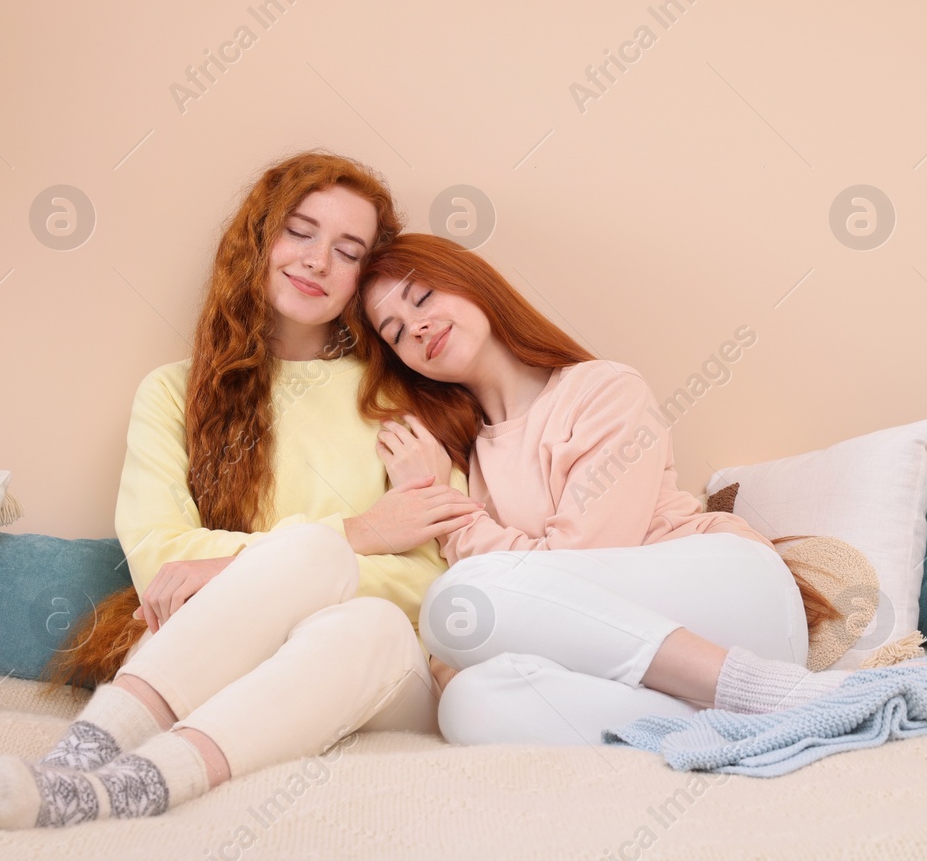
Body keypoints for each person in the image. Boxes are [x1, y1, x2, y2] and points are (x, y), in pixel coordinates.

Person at [0, 152, 482, 829]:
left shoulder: (397, 398)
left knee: (357, 611)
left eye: (347, 251)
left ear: (361, 281)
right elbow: (163, 559)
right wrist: (363, 533)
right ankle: (82, 775)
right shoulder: (173, 392)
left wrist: (255, 565)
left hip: (376, 668)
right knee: (317, 552)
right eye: (300, 231)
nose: (317, 261)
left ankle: (96, 782)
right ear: (258, 238)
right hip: (223, 657)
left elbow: (436, 582)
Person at [353, 232, 858, 748]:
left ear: (473, 284)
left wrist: (440, 504)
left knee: (457, 600)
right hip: (650, 669)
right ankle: (752, 721)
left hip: (739, 601)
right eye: (394, 333)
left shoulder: (603, 389)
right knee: (468, 707)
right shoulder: (465, 457)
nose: (416, 327)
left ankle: (765, 687)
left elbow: (578, 564)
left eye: (423, 298)